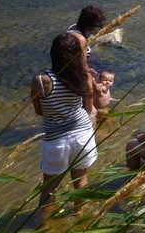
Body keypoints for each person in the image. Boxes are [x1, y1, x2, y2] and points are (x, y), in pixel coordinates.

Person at [30, 33, 98, 222]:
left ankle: (47, 226)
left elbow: (39, 111)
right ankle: (80, 218)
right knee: (80, 181)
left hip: (56, 139)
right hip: (83, 134)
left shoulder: (42, 80)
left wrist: (56, 113)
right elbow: (88, 106)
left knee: (49, 188)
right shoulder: (82, 75)